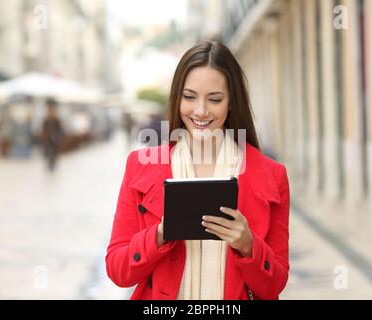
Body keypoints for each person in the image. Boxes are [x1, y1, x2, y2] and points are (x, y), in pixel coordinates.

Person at [105, 41, 290, 300]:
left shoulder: (272, 175)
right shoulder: (140, 165)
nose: (200, 111)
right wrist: (159, 234)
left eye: (214, 99)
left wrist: (249, 246)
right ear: (177, 98)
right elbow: (117, 270)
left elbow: (275, 284)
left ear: (231, 102)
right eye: (189, 97)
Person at [41, 98, 64, 171]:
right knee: (48, 152)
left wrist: (59, 137)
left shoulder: (56, 120)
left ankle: (52, 164)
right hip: (48, 140)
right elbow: (43, 130)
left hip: (54, 140)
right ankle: (50, 164)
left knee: (53, 153)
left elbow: (60, 130)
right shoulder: (46, 120)